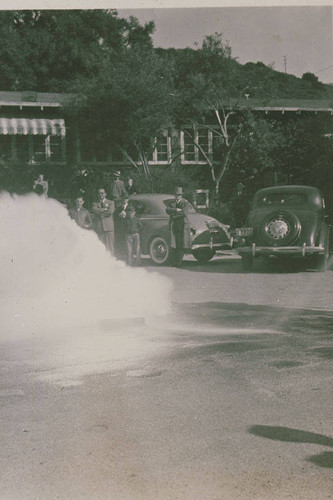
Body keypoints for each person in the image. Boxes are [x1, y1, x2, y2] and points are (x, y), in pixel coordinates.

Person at [166, 187, 192, 267]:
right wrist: (176, 210)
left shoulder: (185, 203)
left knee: (181, 244)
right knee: (174, 244)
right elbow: (167, 210)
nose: (177, 196)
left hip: (182, 224)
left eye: (179, 195)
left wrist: (174, 214)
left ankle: (178, 263)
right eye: (176, 195)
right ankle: (174, 261)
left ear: (181, 195)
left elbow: (184, 212)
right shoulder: (172, 202)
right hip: (174, 225)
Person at [92, 188, 115, 255]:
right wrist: (105, 209)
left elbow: (110, 211)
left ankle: (111, 262)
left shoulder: (111, 202)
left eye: (102, 193)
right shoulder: (95, 203)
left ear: (105, 194)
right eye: (99, 193)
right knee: (101, 246)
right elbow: (94, 210)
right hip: (100, 227)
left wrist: (100, 212)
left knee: (110, 246)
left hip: (109, 227)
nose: (100, 195)